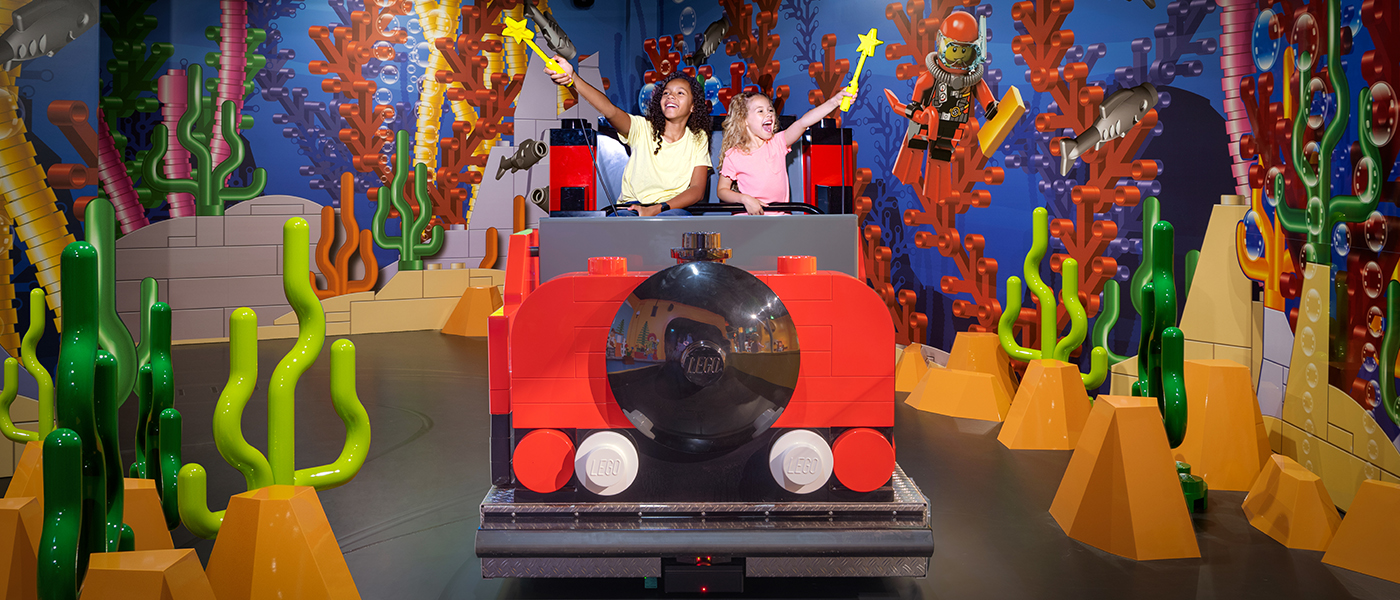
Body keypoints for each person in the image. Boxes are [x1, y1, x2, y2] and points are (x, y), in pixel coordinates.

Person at [547, 58, 711, 216]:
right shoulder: (642, 128)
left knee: (676, 226)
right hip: (631, 208)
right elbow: (610, 110)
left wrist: (657, 209)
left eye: (680, 93)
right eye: (666, 93)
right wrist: (573, 78)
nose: (670, 96)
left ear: (693, 106)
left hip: (672, 210)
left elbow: (697, 191)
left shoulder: (698, 138)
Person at [715, 89, 855, 215]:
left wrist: (834, 101)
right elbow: (722, 191)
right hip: (749, 221)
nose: (769, 114)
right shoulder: (734, 155)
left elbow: (803, 123)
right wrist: (744, 199)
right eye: (760, 111)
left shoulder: (777, 143)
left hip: (780, 219)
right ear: (744, 120)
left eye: (770, 110)